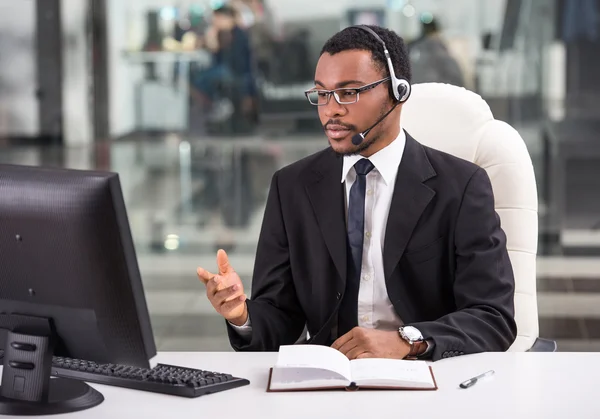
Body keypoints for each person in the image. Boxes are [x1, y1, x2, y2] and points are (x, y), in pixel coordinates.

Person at [197, 25, 517, 361]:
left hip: (425, 376)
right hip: (327, 380)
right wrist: (242, 316)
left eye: (349, 92)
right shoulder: (291, 186)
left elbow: (492, 316)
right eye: (322, 93)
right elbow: (281, 318)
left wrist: (407, 341)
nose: (330, 110)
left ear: (398, 92)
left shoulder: (462, 186)